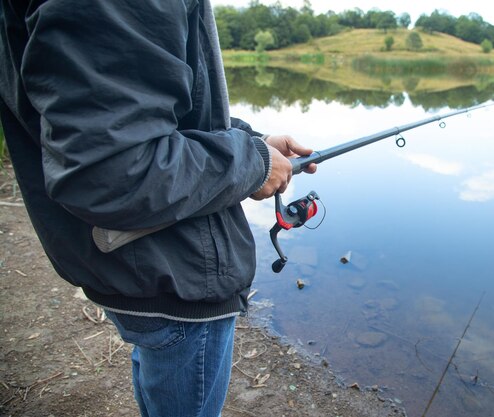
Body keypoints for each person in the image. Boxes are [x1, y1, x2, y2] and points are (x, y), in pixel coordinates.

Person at [0, 1, 316, 416]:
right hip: (173, 272)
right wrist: (251, 163)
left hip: (143, 269)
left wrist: (253, 144)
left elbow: (159, 112)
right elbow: (112, 169)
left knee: (156, 360)